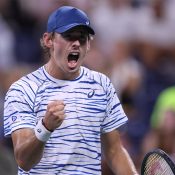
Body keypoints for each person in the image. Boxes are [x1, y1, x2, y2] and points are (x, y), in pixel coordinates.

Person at [4, 5, 138, 175]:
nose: (76, 43)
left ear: (89, 45)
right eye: (68, 37)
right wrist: (45, 128)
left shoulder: (102, 84)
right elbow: (23, 161)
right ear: (48, 40)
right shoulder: (23, 89)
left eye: (82, 38)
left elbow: (114, 151)